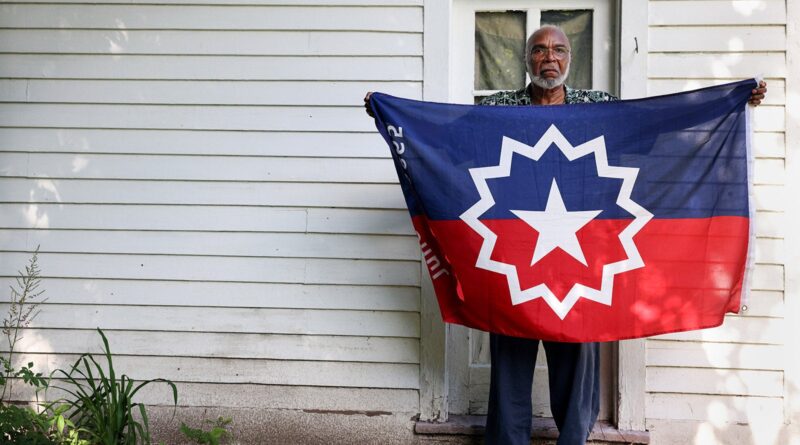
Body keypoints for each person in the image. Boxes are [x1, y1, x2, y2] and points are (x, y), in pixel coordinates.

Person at [365, 24, 767, 445]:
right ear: (528, 59)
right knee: (510, 363)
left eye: (558, 49)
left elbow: (653, 128)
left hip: (582, 260)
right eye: (539, 50)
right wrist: (390, 111)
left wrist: (729, 102)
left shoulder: (599, 108)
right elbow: (445, 137)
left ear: (569, 59)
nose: (549, 58)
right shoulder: (500, 108)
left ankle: (573, 440)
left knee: (577, 367)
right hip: (511, 258)